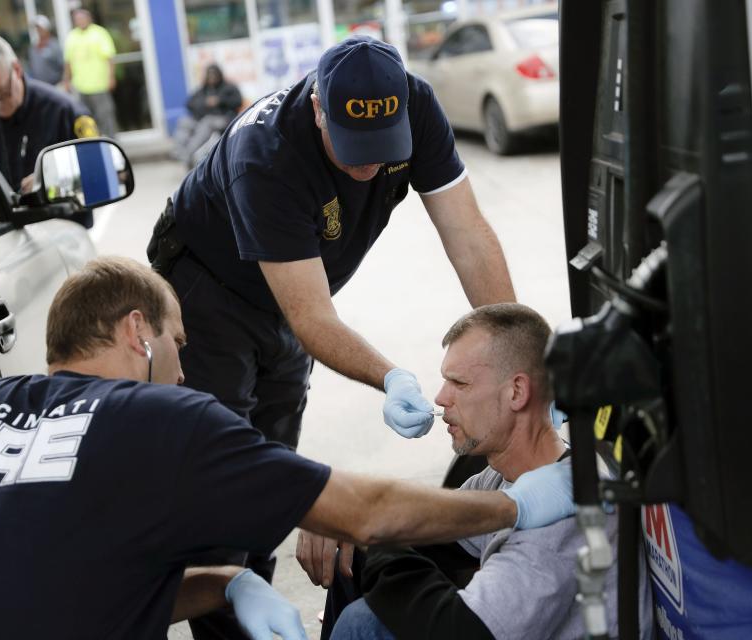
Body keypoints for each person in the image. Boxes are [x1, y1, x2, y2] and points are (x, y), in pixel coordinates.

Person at [0, 257, 576, 640]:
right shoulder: (157, 416)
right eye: (179, 344)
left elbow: (76, 598)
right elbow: (363, 515)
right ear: (139, 331)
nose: (186, 371)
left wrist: (231, 583)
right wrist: (514, 511)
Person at [147, 34, 516, 638]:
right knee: (220, 479)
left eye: (382, 149)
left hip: (295, 293)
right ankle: (227, 617)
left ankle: (251, 595)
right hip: (209, 292)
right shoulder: (265, 155)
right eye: (353, 150)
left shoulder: (415, 105)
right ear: (318, 107)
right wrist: (389, 375)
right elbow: (311, 319)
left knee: (269, 467)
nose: (369, 165)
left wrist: (520, 355)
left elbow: (468, 231)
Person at [306, 303, 653, 640]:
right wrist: (351, 517)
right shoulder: (502, 477)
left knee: (364, 624)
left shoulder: (562, 522)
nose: (441, 398)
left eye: (460, 383)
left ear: (517, 391)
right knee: (349, 560)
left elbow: (459, 630)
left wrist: (373, 529)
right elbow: (425, 525)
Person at [0, 34, 99, 192]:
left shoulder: (64, 110)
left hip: (61, 216)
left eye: (2, 93)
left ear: (17, 69)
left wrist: (55, 178)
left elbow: (99, 168)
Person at [172, 63, 243, 167]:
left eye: (214, 75)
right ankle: (179, 151)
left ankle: (188, 152)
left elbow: (238, 101)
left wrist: (219, 101)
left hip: (223, 119)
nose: (212, 78)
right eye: (209, 75)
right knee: (184, 121)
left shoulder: (228, 87)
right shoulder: (203, 89)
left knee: (207, 122)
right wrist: (205, 103)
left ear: (219, 75)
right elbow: (189, 103)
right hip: (202, 118)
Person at [64, 9, 118, 138]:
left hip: (99, 84)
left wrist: (111, 77)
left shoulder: (99, 33)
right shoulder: (72, 36)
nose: (80, 21)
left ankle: (111, 143)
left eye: (82, 18)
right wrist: (67, 80)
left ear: (89, 18)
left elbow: (109, 58)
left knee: (105, 116)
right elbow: (68, 62)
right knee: (85, 120)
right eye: (77, 19)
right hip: (81, 86)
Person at [29, 14, 64, 86]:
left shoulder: (54, 46)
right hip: (39, 86)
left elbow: (62, 66)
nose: (38, 31)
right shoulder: (33, 48)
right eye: (36, 28)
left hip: (54, 86)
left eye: (40, 28)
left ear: (47, 29)